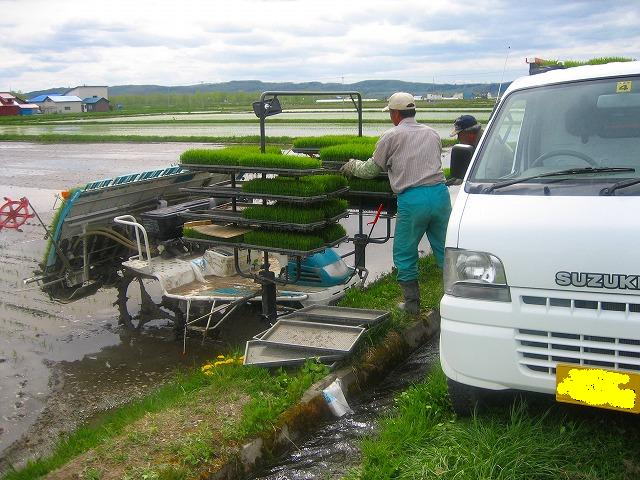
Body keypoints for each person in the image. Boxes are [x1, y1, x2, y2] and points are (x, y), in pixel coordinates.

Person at [340, 92, 451, 315]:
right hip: (440, 195)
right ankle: (455, 299)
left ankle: (411, 304)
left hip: (413, 199)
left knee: (405, 251)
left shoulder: (391, 136)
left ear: (395, 114)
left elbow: (371, 170)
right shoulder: (432, 133)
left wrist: (352, 166)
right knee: (446, 249)